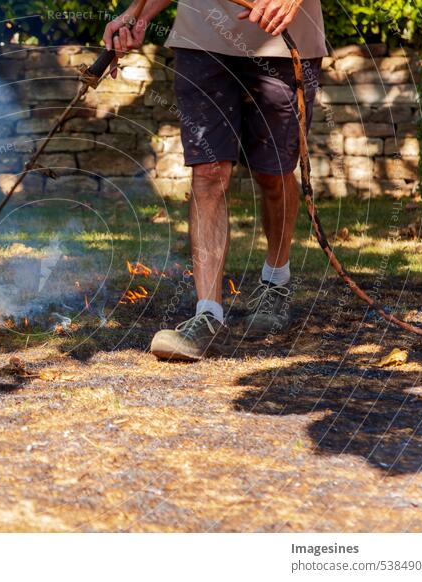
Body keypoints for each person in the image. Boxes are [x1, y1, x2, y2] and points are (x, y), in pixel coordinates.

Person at [103, 0, 327, 361]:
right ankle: (208, 315)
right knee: (208, 173)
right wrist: (136, 15)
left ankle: (275, 281)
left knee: (274, 173)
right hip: (201, 38)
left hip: (281, 41)